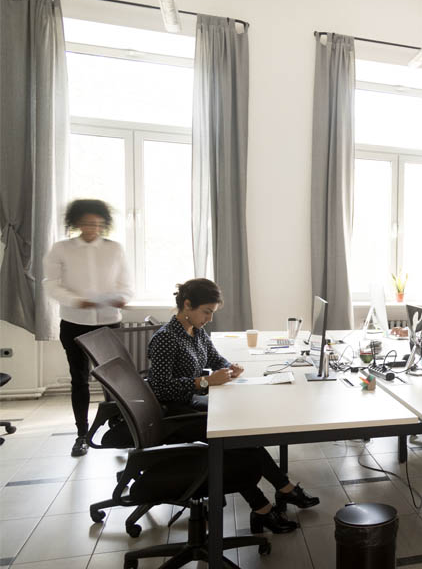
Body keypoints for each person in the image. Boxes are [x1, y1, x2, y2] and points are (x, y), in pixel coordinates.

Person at [146, 278, 318, 533]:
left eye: (212, 313)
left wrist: (229, 367)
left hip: (193, 403)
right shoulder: (166, 338)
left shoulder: (195, 331)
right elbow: (159, 387)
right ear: (187, 305)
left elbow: (214, 357)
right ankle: (271, 501)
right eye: (206, 312)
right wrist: (204, 381)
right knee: (237, 441)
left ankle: (278, 495)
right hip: (177, 414)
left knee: (244, 434)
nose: (209, 319)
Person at [43, 199, 133, 457]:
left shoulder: (114, 249)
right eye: (86, 223)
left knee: (113, 379)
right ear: (76, 223)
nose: (92, 227)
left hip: (108, 321)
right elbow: (51, 283)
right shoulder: (62, 248)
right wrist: (76, 301)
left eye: (97, 223)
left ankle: (118, 426)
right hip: (74, 322)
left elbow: (126, 283)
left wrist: (121, 297)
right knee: (79, 379)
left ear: (105, 223)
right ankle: (82, 433)